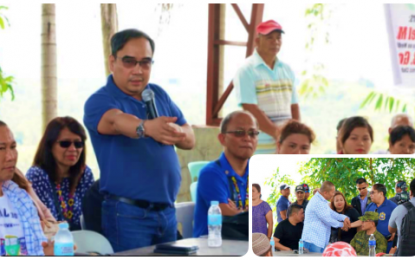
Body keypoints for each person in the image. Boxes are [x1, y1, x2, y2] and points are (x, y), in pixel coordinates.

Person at [83, 29, 195, 252]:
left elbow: (189, 137)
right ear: (112, 61)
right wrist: (147, 128)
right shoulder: (100, 100)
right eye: (129, 62)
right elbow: (116, 121)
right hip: (128, 215)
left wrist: (175, 132)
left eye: (145, 62)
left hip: (166, 212)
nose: (138, 70)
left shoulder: (157, 94)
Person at [0, 121, 75, 256]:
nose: (10, 156)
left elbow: (33, 251)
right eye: (1, 148)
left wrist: (49, 251)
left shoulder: (20, 198)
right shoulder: (37, 176)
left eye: (13, 147)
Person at [234, 20, 300, 154]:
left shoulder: (287, 70)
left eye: (278, 38)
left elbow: (294, 106)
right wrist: (279, 135)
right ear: (257, 41)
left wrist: (296, 135)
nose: (275, 42)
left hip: (285, 148)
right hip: (259, 148)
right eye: (269, 38)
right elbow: (250, 108)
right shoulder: (247, 70)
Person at [193, 111, 258, 237]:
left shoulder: (259, 170)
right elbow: (225, 215)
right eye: (239, 133)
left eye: (252, 133)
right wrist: (249, 212)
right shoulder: (211, 173)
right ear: (222, 139)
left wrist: (241, 212)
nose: (247, 138)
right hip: (212, 248)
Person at [26, 117, 94, 231]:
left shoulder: (85, 174)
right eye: (65, 143)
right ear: (50, 146)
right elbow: (46, 222)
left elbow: (91, 217)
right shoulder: (37, 176)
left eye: (78, 144)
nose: (73, 149)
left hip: (82, 242)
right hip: (51, 243)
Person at [301, 181, 351, 253]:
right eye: (332, 192)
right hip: (312, 241)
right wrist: (343, 225)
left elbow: (332, 214)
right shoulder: (317, 202)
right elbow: (328, 220)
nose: (333, 194)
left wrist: (344, 218)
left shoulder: (323, 201)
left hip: (320, 241)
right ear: (325, 193)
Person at [365, 183, 397, 253]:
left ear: (381, 193)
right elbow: (363, 221)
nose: (370, 195)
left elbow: (400, 222)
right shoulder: (370, 206)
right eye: (370, 193)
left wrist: (395, 232)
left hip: (388, 244)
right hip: (372, 244)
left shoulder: (392, 206)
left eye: (373, 192)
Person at [388, 178, 415, 254]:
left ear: (410, 192)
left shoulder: (400, 209)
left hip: (405, 253)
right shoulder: (392, 201)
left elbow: (391, 229)